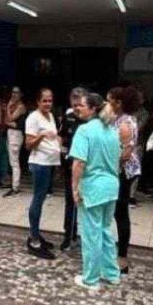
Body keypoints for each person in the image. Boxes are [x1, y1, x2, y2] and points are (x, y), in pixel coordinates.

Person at [68, 92, 121, 290]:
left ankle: (90, 279)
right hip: (111, 187)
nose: (77, 108)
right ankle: (111, 273)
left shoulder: (84, 130)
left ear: (92, 109)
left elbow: (79, 163)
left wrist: (75, 188)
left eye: (81, 105)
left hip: (93, 188)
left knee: (91, 235)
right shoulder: (111, 131)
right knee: (105, 232)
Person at [106, 86, 141, 274]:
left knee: (120, 213)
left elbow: (125, 154)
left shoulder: (125, 122)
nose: (106, 103)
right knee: (117, 212)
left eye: (109, 99)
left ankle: (122, 257)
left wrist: (109, 166)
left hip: (122, 172)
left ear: (118, 103)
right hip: (116, 170)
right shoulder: (116, 118)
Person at [24, 88, 60, 259]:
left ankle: (35, 232)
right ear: (38, 102)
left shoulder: (50, 116)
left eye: (50, 100)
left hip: (50, 162)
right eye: (44, 100)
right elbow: (28, 145)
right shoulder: (33, 118)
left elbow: (52, 138)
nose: (47, 103)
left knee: (41, 198)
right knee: (37, 199)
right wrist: (42, 135)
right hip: (39, 164)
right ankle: (34, 240)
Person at [58, 87, 86, 252]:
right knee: (70, 202)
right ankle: (69, 235)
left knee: (87, 204)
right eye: (74, 104)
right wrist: (62, 154)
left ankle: (87, 237)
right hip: (71, 167)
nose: (77, 108)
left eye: (80, 104)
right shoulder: (68, 118)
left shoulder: (92, 120)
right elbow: (61, 136)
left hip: (88, 168)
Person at [2, 86, 28, 197]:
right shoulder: (14, 105)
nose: (14, 94)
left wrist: (7, 107)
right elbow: (5, 120)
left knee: (15, 161)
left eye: (16, 92)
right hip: (11, 133)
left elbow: (10, 118)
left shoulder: (21, 106)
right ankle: (14, 183)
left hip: (16, 134)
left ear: (21, 94)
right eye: (13, 92)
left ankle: (15, 187)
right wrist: (9, 122)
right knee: (12, 161)